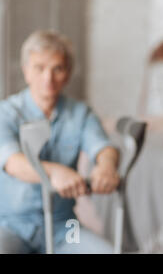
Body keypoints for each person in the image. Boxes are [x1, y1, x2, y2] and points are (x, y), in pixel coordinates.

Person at [0, 30, 120, 253]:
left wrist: (106, 166)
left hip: (65, 226)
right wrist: (55, 173)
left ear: (68, 73)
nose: (48, 78)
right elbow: (13, 163)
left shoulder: (81, 114)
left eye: (58, 68)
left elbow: (104, 147)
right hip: (10, 225)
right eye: (39, 68)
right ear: (26, 71)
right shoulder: (6, 113)